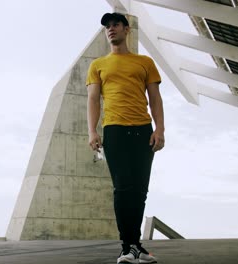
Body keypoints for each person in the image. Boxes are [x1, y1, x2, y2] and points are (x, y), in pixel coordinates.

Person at [86, 12, 165, 264]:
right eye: (107, 27)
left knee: (139, 190)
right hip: (115, 131)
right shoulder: (98, 65)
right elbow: (92, 99)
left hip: (143, 130)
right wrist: (92, 131)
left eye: (115, 25)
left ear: (126, 29)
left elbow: (155, 99)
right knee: (123, 189)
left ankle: (136, 247)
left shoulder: (145, 62)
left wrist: (159, 129)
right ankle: (127, 247)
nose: (111, 29)